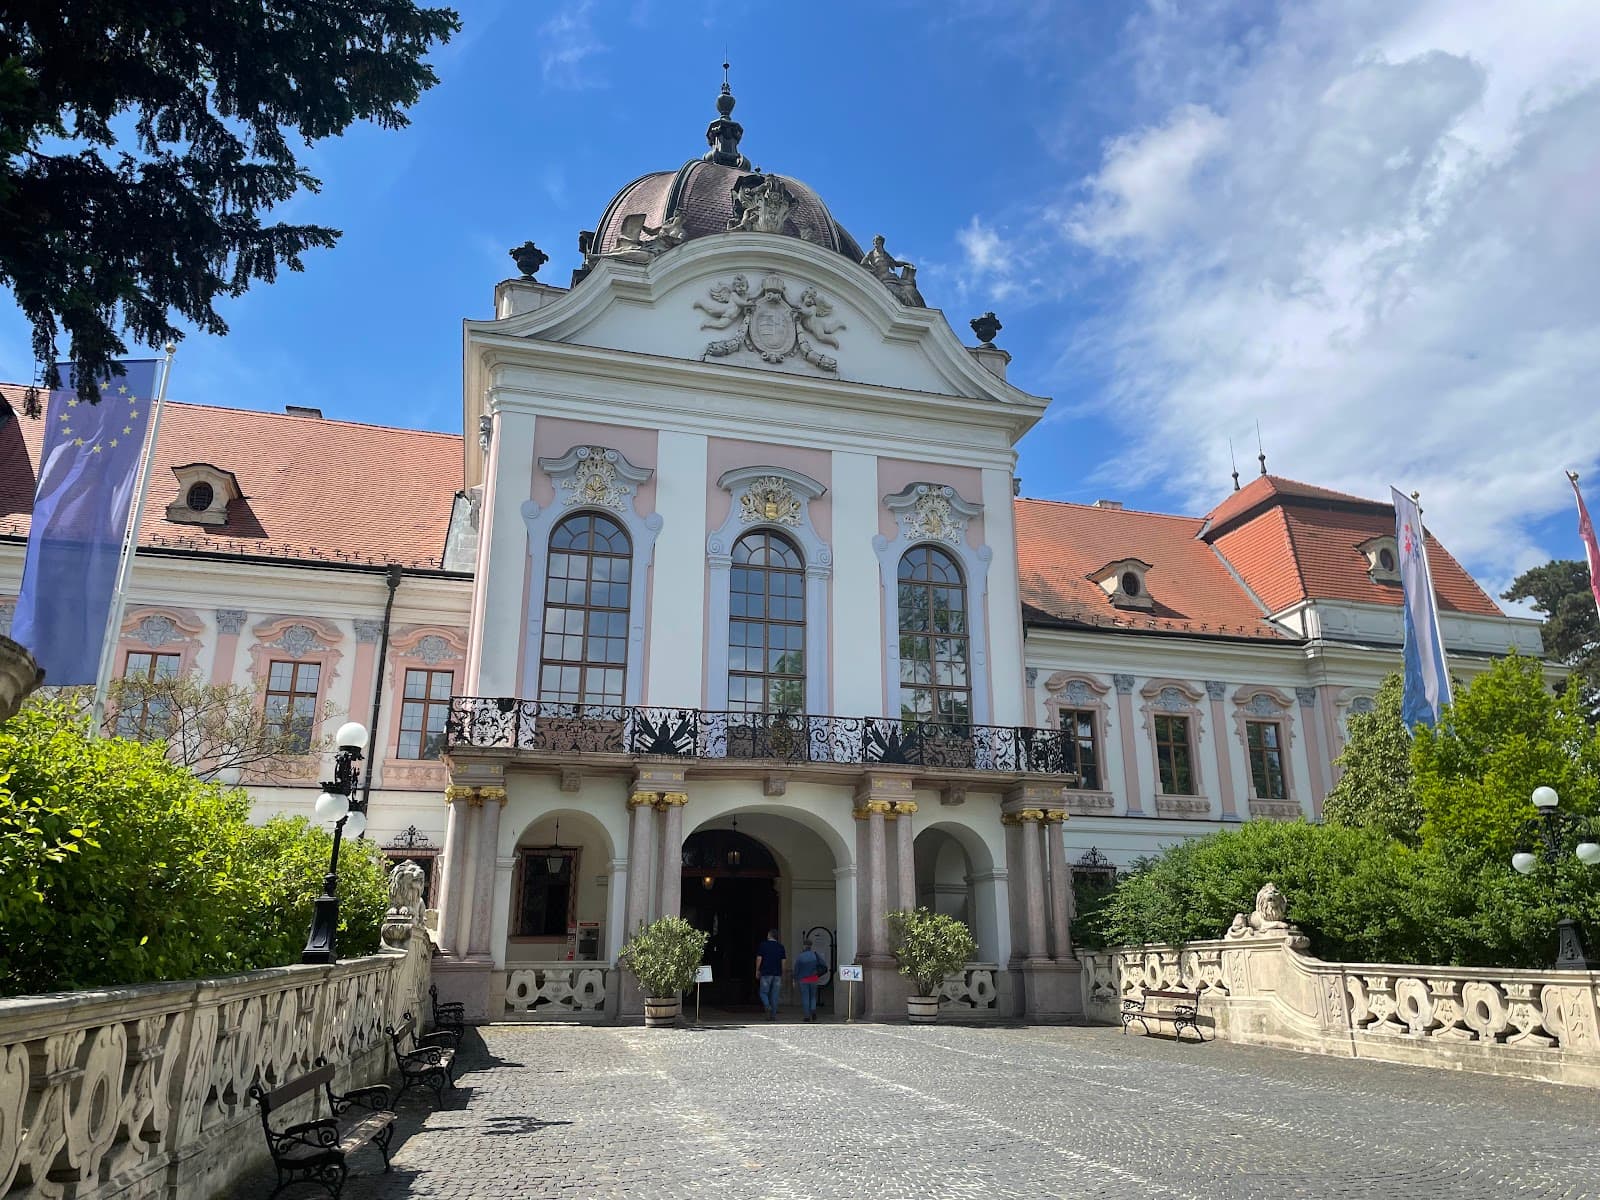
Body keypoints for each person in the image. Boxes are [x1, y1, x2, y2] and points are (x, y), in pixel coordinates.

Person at [792, 938, 828, 1022]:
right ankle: (813, 1009)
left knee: (805, 997)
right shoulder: (815, 955)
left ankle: (807, 1016)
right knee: (812, 996)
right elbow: (823, 964)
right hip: (813, 978)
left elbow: (796, 969)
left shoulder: (800, 957)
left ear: (804, 946)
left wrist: (795, 979)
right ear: (811, 946)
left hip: (803, 979)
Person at [755, 928, 786, 1021]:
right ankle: (773, 1016)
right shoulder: (781, 947)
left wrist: (757, 970)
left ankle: (767, 1005)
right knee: (775, 995)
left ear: (769, 935)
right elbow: (784, 961)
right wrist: (783, 972)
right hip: (777, 974)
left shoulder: (763, 945)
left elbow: (759, 958)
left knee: (763, 992)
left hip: (766, 973)